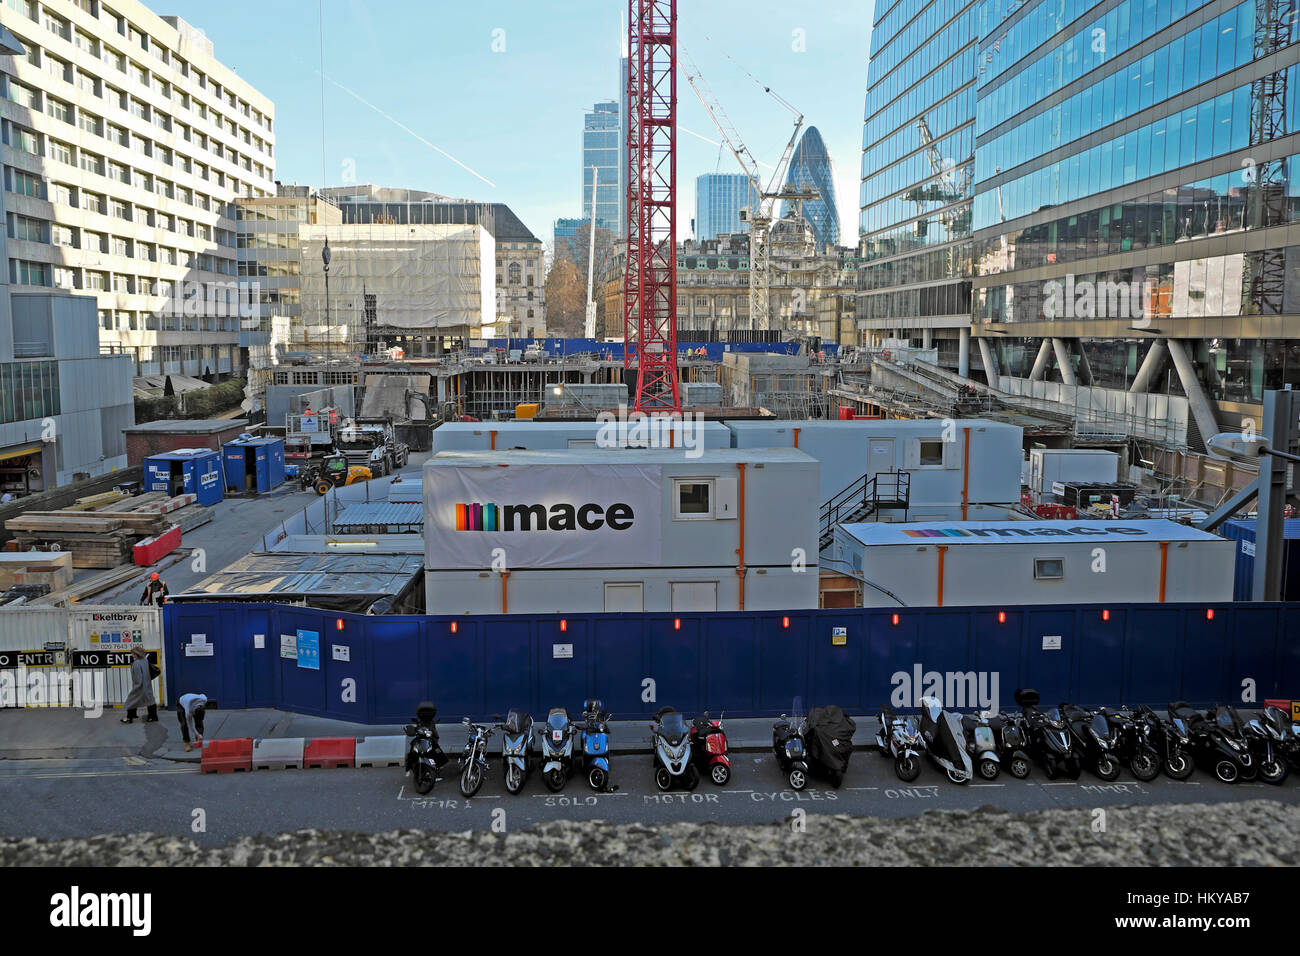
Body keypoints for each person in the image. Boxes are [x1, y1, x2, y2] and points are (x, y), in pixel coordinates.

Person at [120, 647, 159, 723]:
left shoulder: (136, 663)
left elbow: (138, 677)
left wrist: (136, 687)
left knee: (131, 700)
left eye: (132, 653)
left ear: (136, 654)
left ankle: (129, 718)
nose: (131, 655)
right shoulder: (145, 661)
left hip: (140, 685)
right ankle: (153, 717)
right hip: (147, 684)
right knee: (150, 700)